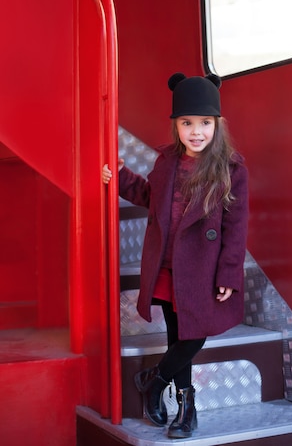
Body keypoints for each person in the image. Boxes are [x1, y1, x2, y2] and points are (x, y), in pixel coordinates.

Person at [103, 72, 249, 439]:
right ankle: (186, 407)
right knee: (177, 333)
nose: (196, 131)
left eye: (204, 123)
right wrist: (119, 177)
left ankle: (156, 379)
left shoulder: (231, 168)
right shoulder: (167, 161)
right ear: (176, 126)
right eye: (186, 123)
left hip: (201, 270)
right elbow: (150, 197)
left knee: (193, 334)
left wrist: (229, 273)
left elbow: (236, 227)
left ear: (217, 124)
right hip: (167, 266)